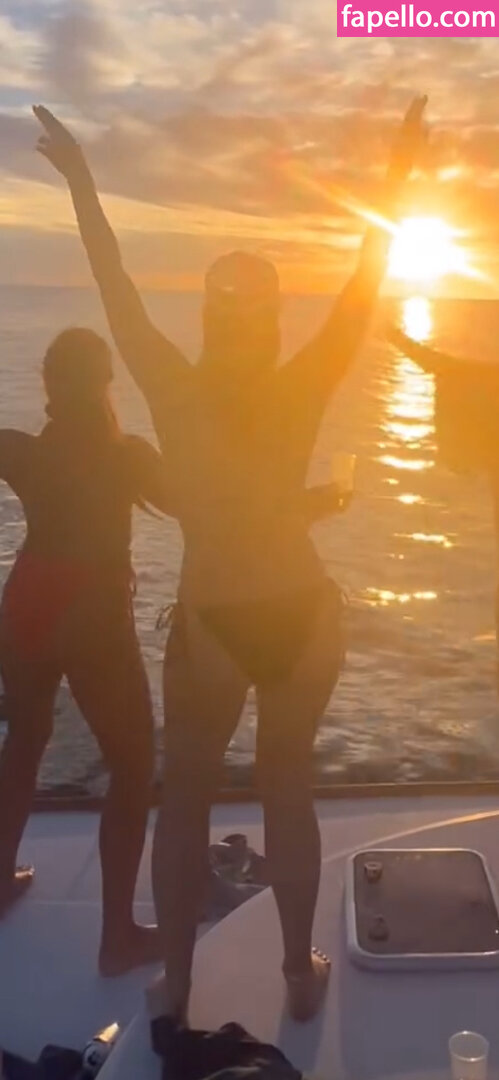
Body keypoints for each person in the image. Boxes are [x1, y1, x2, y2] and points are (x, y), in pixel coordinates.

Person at [33, 95, 427, 1022]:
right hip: (301, 609)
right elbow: (366, 279)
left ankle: (177, 984)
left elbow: (112, 278)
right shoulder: (304, 381)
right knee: (288, 790)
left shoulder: (170, 382)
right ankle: (296, 973)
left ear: (210, 316)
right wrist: (396, 177)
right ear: (274, 316)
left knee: (186, 802)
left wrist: (83, 180)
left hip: (211, 619)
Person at [0, 327, 174, 977]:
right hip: (92, 610)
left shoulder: (19, 450)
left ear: (48, 383)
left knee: (25, 737)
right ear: (107, 382)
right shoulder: (128, 456)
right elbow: (200, 505)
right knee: (132, 766)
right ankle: (118, 937)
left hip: (27, 600)